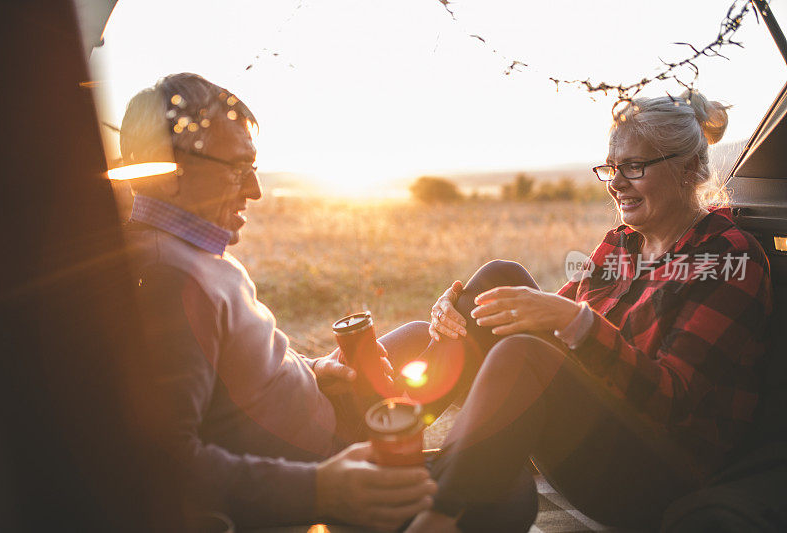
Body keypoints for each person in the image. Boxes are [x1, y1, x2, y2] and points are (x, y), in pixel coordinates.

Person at [400, 90, 773, 532]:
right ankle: (390, 432)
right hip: (597, 437)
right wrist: (455, 308)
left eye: (635, 167)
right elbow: (537, 318)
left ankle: (436, 517)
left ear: (689, 169)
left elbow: (670, 401)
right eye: (612, 169)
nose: (616, 183)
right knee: (500, 278)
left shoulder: (730, 258)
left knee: (524, 354)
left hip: (660, 477)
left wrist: (573, 322)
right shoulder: (621, 242)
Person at [118, 73, 440, 530]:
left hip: (327, 414)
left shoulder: (184, 250)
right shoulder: (167, 279)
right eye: (237, 168)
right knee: (506, 497)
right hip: (323, 459)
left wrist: (312, 369)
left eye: (254, 167)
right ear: (168, 168)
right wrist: (322, 488)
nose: (255, 189)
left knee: (419, 335)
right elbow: (164, 461)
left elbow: (229, 374)